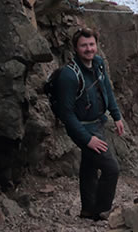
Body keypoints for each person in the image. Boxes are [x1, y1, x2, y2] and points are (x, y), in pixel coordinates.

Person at [54, 27, 126, 221]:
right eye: (84, 45)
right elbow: (66, 115)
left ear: (96, 45)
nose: (89, 49)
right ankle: (101, 211)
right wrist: (88, 139)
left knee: (89, 166)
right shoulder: (69, 76)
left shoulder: (99, 64)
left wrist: (116, 115)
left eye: (91, 44)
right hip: (82, 128)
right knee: (111, 169)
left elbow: (107, 90)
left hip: (98, 122)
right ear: (76, 49)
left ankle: (87, 210)